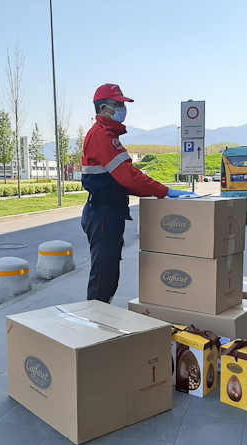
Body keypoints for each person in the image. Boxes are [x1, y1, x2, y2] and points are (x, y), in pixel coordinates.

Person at [81, 84, 191, 303]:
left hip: (106, 211)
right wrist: (165, 191)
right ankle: (94, 321)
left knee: (109, 272)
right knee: (104, 276)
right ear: (103, 108)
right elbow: (127, 177)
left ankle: (99, 317)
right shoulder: (103, 136)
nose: (122, 108)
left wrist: (160, 192)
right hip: (103, 213)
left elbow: (124, 180)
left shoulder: (106, 134)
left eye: (123, 104)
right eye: (117, 104)